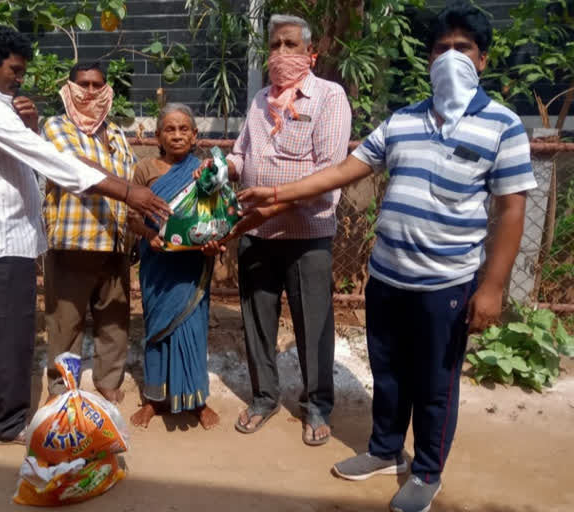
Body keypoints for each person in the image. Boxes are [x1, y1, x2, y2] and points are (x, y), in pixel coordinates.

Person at [238, 4, 536, 511]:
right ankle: (383, 450)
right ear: (428, 59)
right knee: (389, 373)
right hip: (387, 275)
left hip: (446, 283)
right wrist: (278, 194)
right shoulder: (405, 120)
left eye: (462, 49)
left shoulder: (503, 126)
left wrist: (492, 287)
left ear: (482, 60)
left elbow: (511, 210)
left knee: (435, 383)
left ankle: (426, 470)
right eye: (441, 49)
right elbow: (343, 171)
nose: (450, 57)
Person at [0, 25, 170, 445]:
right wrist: (128, 191)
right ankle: (8, 425)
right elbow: (56, 163)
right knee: (12, 333)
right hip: (0, 240)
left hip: (0, 238)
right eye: (14, 69)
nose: (19, 78)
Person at [198, 14, 352, 445]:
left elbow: (329, 176)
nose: (280, 54)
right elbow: (244, 156)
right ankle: (265, 397)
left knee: (314, 324)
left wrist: (272, 200)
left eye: (290, 45)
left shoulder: (329, 98)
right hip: (257, 234)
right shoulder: (261, 99)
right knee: (257, 322)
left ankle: (317, 405)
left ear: (310, 54)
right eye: (274, 45)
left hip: (307, 235)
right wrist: (220, 169)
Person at [41, 62, 135, 404]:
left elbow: (131, 176)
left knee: (114, 320)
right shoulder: (55, 128)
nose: (91, 92)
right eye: (84, 84)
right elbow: (76, 166)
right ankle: (62, 386)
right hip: (72, 243)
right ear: (69, 87)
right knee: (66, 323)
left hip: (114, 243)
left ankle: (108, 380)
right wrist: (129, 191)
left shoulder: (116, 135)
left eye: (98, 84)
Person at [128, 103, 221, 430]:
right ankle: (154, 400)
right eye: (170, 129)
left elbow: (216, 217)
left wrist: (213, 243)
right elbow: (132, 218)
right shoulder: (145, 170)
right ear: (158, 136)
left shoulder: (206, 171)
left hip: (192, 266)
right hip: (158, 265)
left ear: (195, 135)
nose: (177, 135)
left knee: (193, 329)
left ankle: (197, 401)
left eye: (184, 129)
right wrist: (150, 235)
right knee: (156, 329)